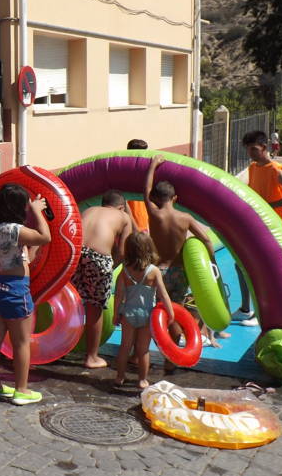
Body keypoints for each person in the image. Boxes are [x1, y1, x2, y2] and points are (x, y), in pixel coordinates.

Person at [0, 183, 51, 404]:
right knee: (21, 342)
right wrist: (37, 211)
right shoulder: (14, 230)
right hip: (14, 289)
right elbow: (45, 237)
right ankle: (21, 390)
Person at [143, 156, 217, 353]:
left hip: (159, 271)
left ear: (155, 198)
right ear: (175, 198)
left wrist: (153, 165)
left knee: (160, 310)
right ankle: (173, 353)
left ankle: (160, 347)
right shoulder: (185, 218)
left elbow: (146, 191)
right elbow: (206, 240)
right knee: (176, 310)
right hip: (180, 271)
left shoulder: (154, 214)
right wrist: (212, 261)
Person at [231, 131, 282, 325]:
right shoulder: (253, 167)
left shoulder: (275, 169)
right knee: (240, 264)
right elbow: (254, 191)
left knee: (261, 269)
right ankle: (246, 309)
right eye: (248, 149)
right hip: (255, 224)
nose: (250, 153)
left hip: (271, 228)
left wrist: (268, 206)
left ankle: (262, 313)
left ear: (264, 147)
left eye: (254, 149)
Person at [71, 189, 133, 370]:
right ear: (121, 207)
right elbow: (123, 251)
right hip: (98, 257)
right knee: (94, 306)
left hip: (75, 254)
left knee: (72, 302)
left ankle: (62, 346)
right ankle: (91, 357)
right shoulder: (124, 217)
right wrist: (111, 267)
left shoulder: (88, 210)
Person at [112, 231, 173, 390]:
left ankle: (119, 377)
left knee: (125, 347)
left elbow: (119, 295)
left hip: (128, 313)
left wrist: (115, 314)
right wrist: (171, 313)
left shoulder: (124, 270)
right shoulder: (154, 271)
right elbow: (163, 294)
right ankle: (142, 380)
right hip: (147, 314)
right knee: (143, 350)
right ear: (149, 249)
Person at [124, 140, 149, 233]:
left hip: (142, 221)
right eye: (143, 153)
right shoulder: (125, 172)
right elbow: (124, 202)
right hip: (133, 224)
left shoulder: (143, 170)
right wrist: (135, 227)